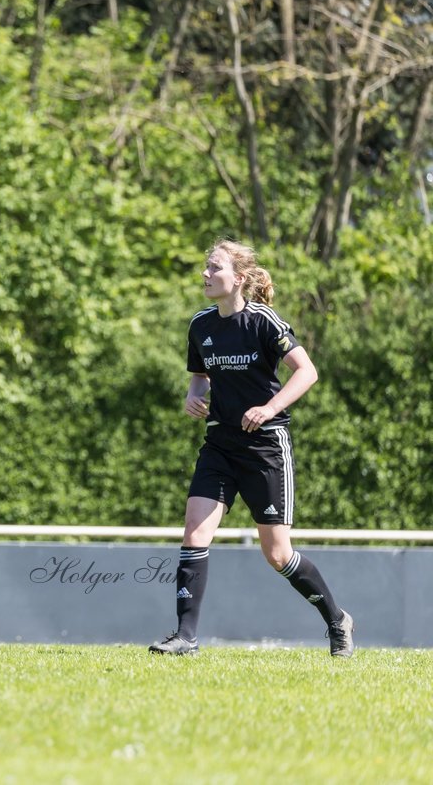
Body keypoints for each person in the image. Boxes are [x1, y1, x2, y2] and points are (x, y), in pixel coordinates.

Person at [150, 240, 353, 657]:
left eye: (215, 268)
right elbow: (200, 375)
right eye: (205, 267)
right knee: (194, 532)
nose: (206, 275)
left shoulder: (263, 321)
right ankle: (185, 637)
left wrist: (269, 407)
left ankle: (337, 619)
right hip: (220, 444)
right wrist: (194, 394)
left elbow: (307, 372)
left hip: (265, 448)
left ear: (239, 278)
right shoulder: (201, 325)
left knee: (278, 555)